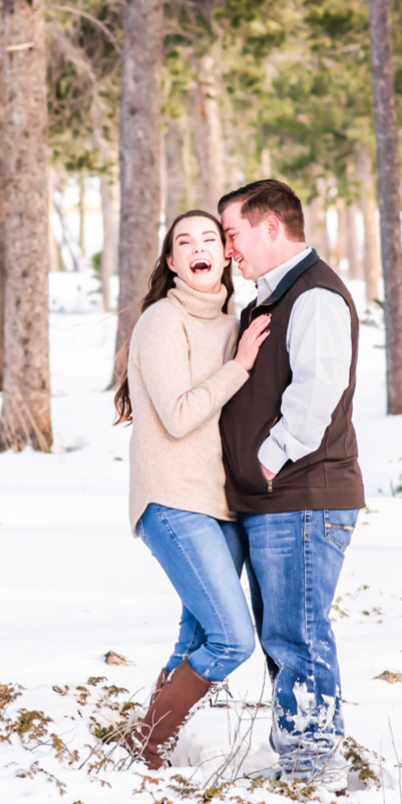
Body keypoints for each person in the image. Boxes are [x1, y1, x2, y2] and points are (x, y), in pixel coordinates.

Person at [216, 180, 365, 792]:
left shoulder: (315, 296)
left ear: (271, 227)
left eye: (233, 234)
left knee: (297, 633)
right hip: (277, 499)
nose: (228, 250)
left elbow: (315, 395)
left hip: (304, 495)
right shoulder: (269, 301)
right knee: (284, 635)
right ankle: (307, 755)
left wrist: (268, 461)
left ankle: (314, 766)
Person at [114, 209, 272, 770]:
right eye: (185, 241)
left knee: (196, 632)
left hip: (219, 503)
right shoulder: (162, 320)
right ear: (171, 261)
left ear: (227, 254)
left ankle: (145, 750)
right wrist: (242, 365)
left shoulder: (232, 322)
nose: (199, 247)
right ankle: (151, 744)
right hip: (172, 498)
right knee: (231, 638)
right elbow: (180, 417)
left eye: (210, 238)